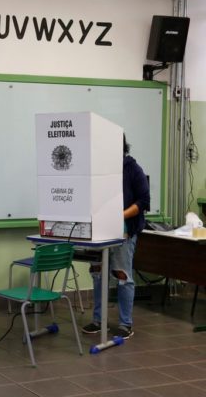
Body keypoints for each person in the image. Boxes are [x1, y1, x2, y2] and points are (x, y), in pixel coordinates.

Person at [82, 135, 150, 339]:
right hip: (99, 232)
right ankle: (98, 320)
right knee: (98, 274)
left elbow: (144, 201)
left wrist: (118, 216)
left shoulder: (132, 169)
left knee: (122, 276)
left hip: (124, 232)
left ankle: (125, 323)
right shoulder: (99, 171)